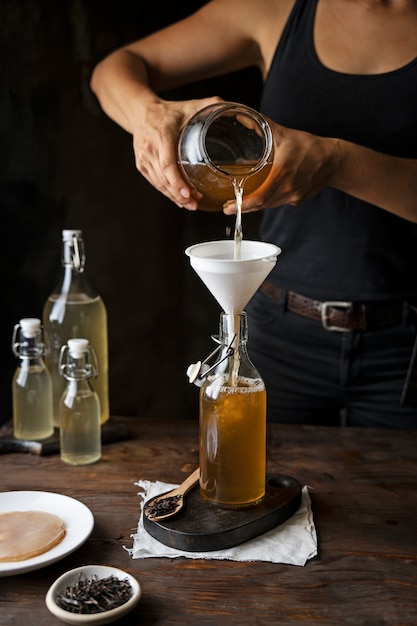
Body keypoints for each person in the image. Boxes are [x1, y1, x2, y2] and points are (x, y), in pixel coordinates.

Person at [90, 0, 417, 428]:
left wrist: (339, 163)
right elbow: (112, 70)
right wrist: (148, 115)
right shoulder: (276, 9)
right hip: (278, 333)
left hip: (407, 347)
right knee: (253, 483)